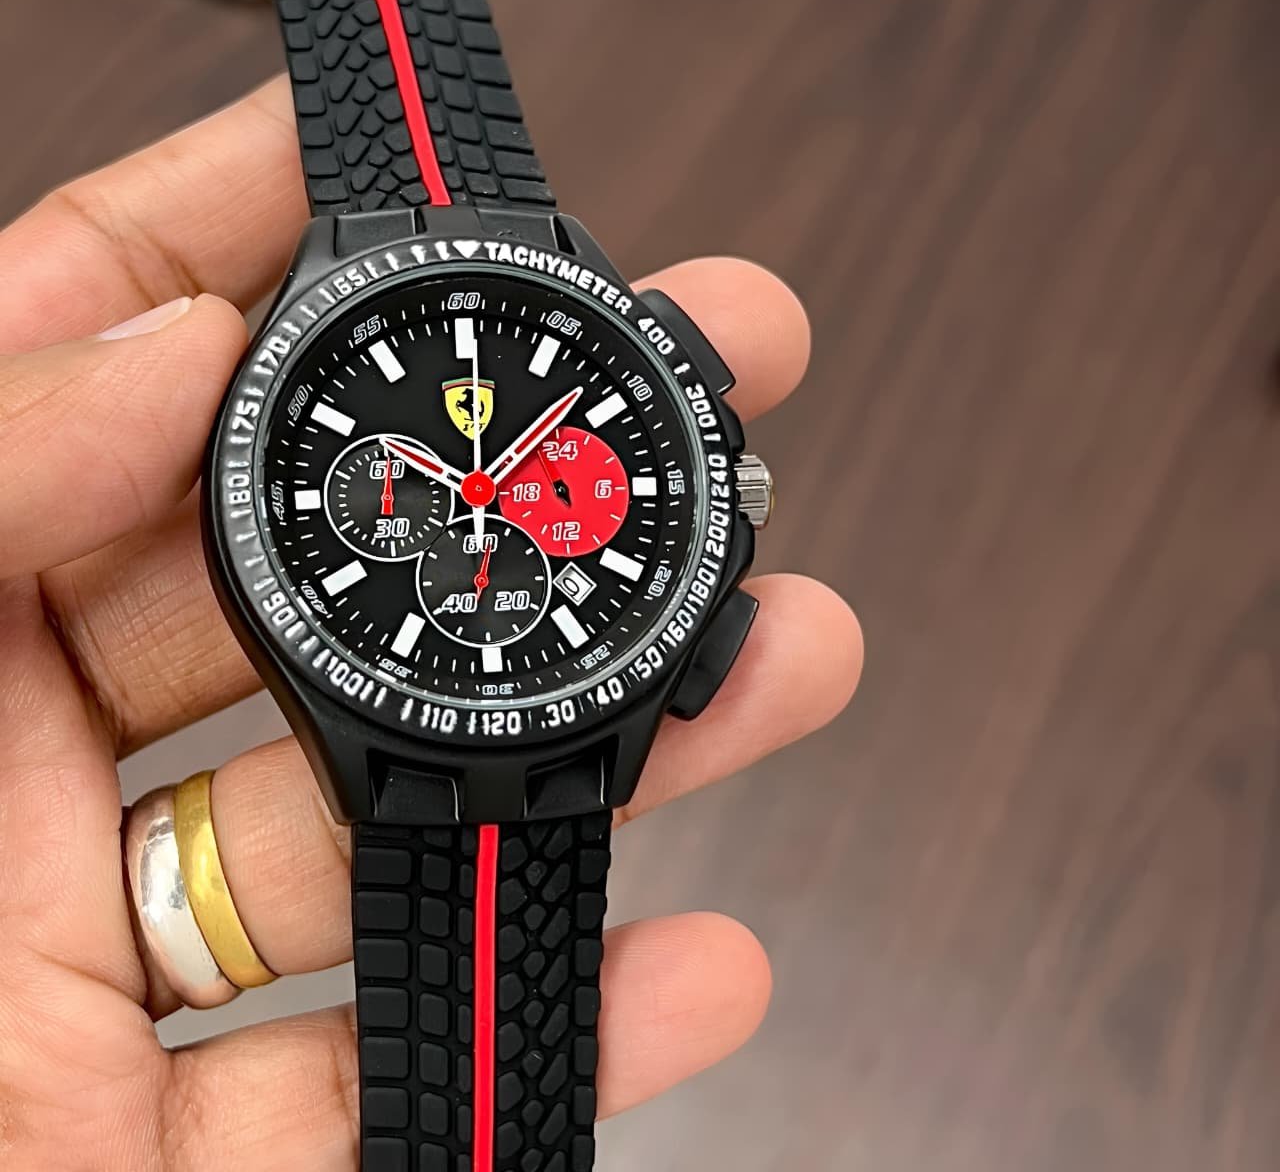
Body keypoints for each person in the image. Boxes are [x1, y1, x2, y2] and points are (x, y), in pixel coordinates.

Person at [0, 77, 863, 1167]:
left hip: (560, 723)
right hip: (408, 730)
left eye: (501, 487)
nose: (482, 496)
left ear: (721, 493)